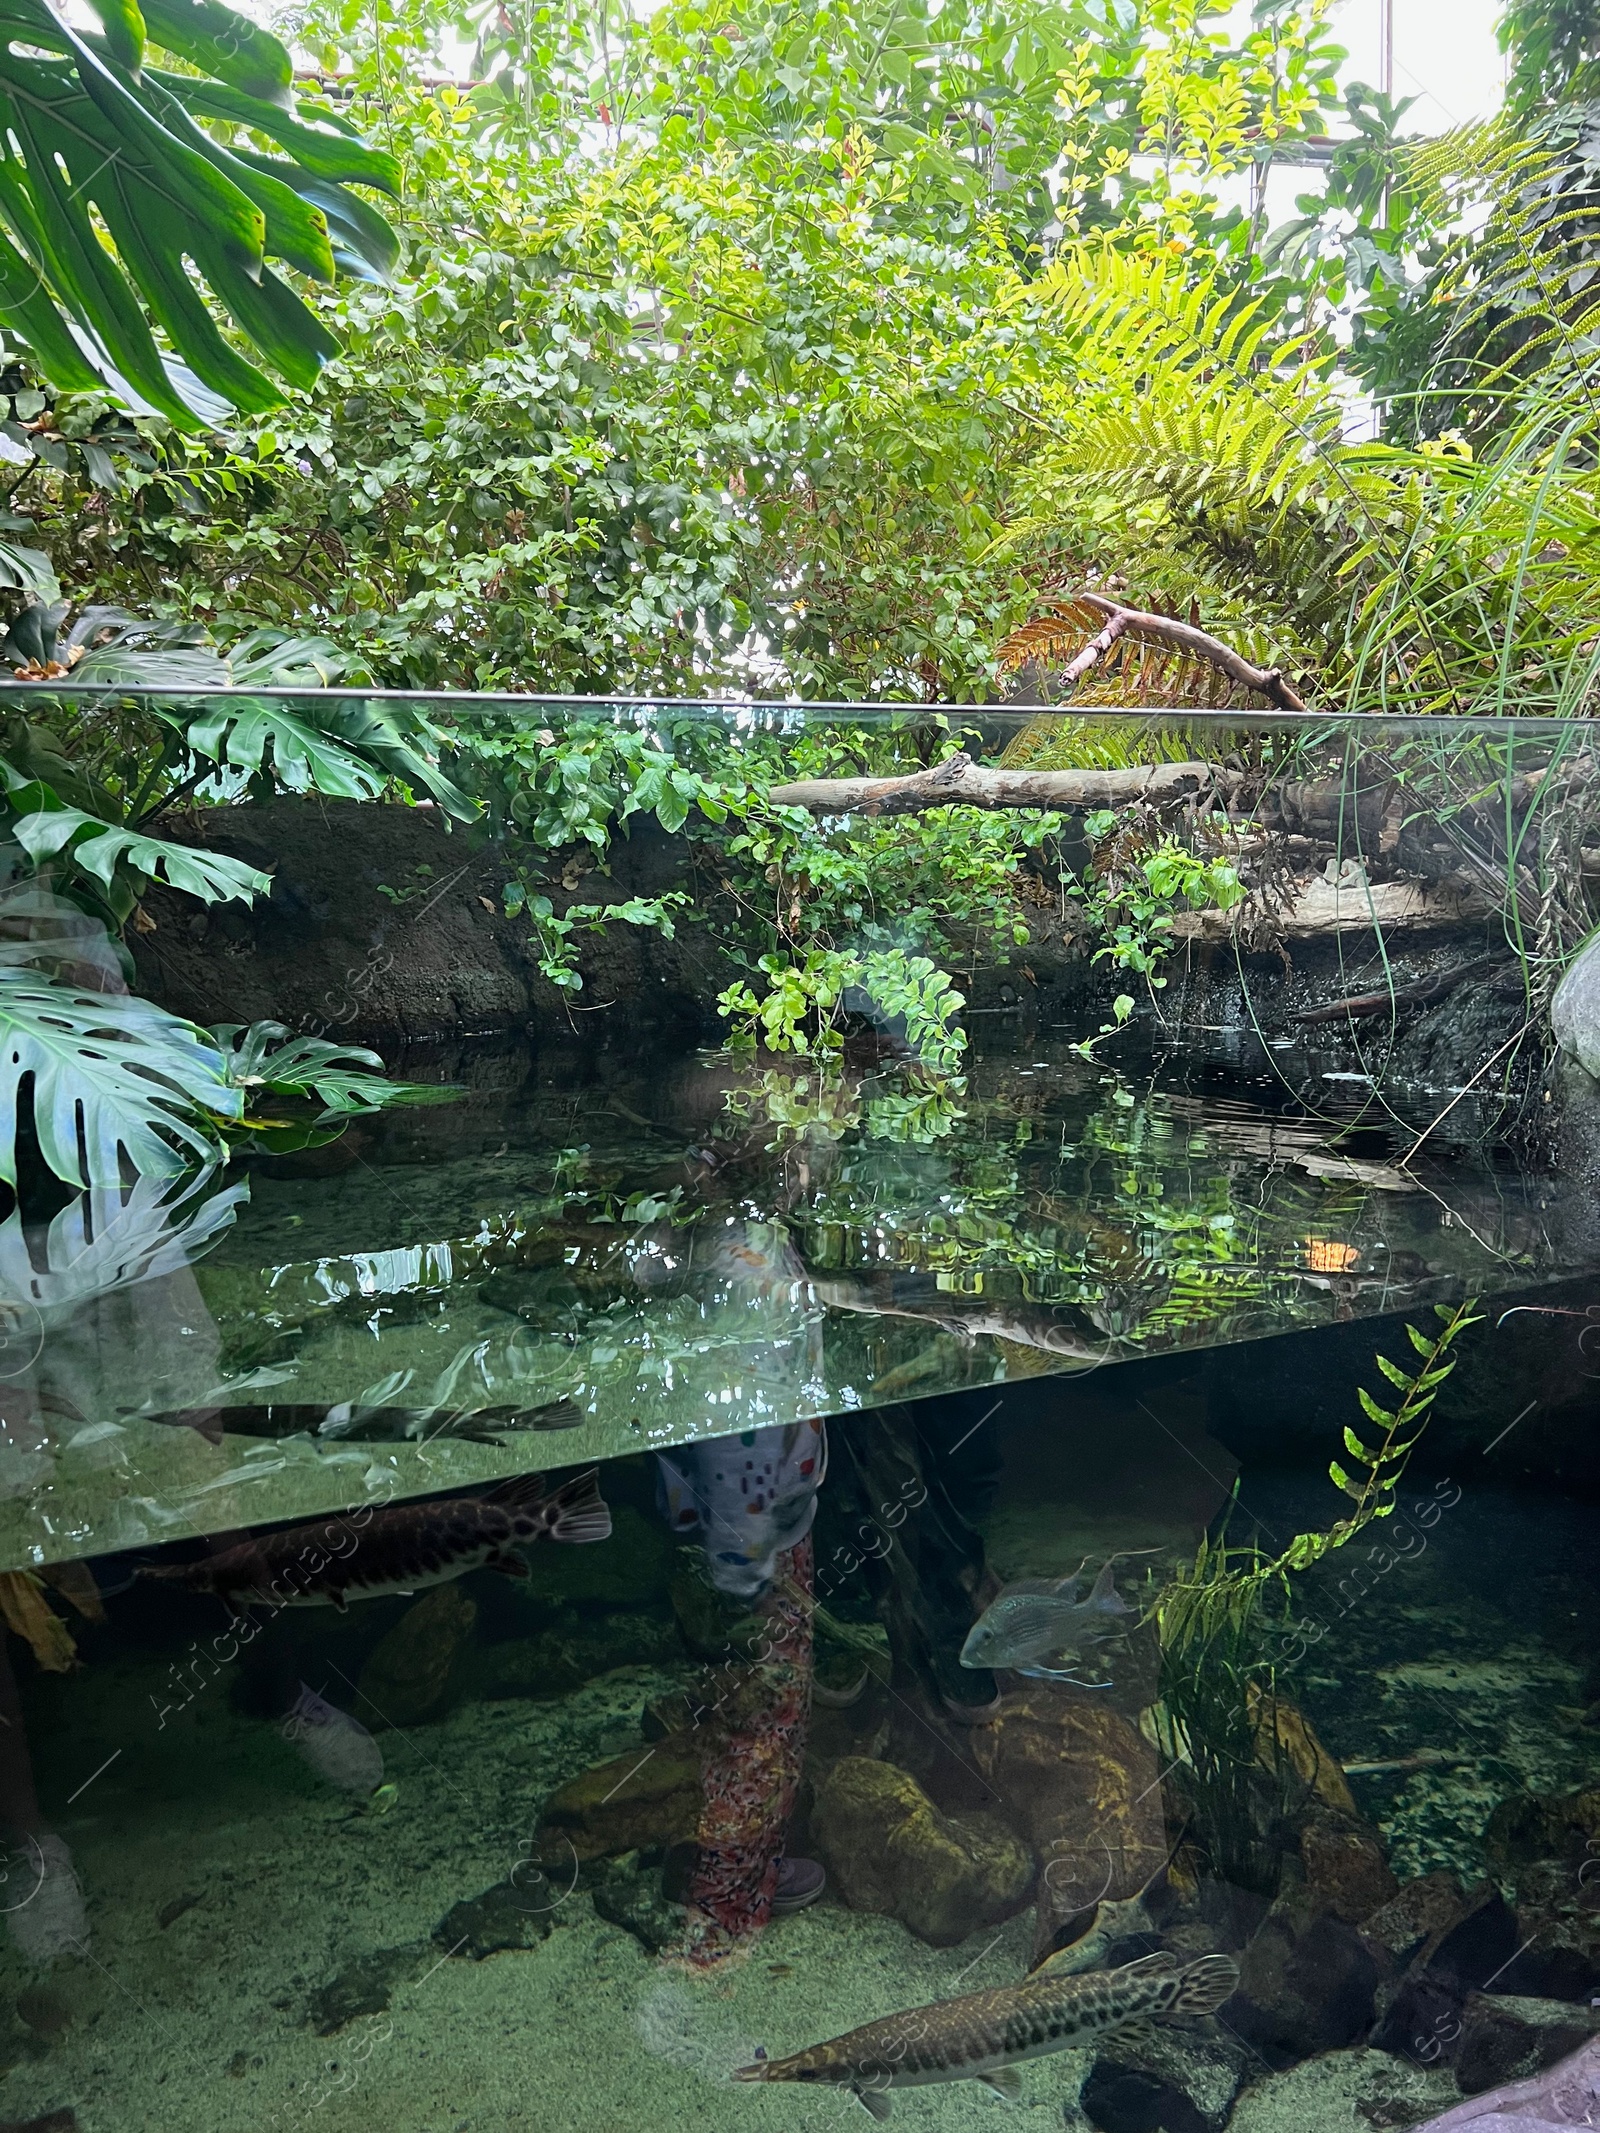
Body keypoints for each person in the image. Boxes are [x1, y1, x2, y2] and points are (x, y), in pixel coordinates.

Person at [654, 1417, 828, 1966]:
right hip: (753, 1551)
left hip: (750, 1533)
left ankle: (748, 1878)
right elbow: (739, 1440)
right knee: (760, 1742)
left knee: (755, 1736)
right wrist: (743, 1569)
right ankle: (723, 1918)